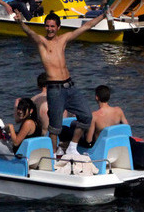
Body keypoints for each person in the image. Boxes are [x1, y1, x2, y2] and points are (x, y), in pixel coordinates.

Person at [13, 9, 108, 155]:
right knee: (55, 127)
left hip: (70, 86)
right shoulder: (42, 42)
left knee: (86, 116)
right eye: (47, 26)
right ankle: (54, 153)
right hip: (54, 89)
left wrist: (103, 15)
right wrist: (20, 22)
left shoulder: (63, 40)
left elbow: (86, 26)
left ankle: (72, 147)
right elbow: (29, 32)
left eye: (52, 26)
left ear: (58, 27)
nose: (49, 29)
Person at [0, 97, 41, 169]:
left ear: (31, 111)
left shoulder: (28, 123)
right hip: (27, 154)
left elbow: (16, 142)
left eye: (23, 109)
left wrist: (11, 127)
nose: (20, 111)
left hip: (18, 156)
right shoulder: (35, 122)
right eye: (19, 109)